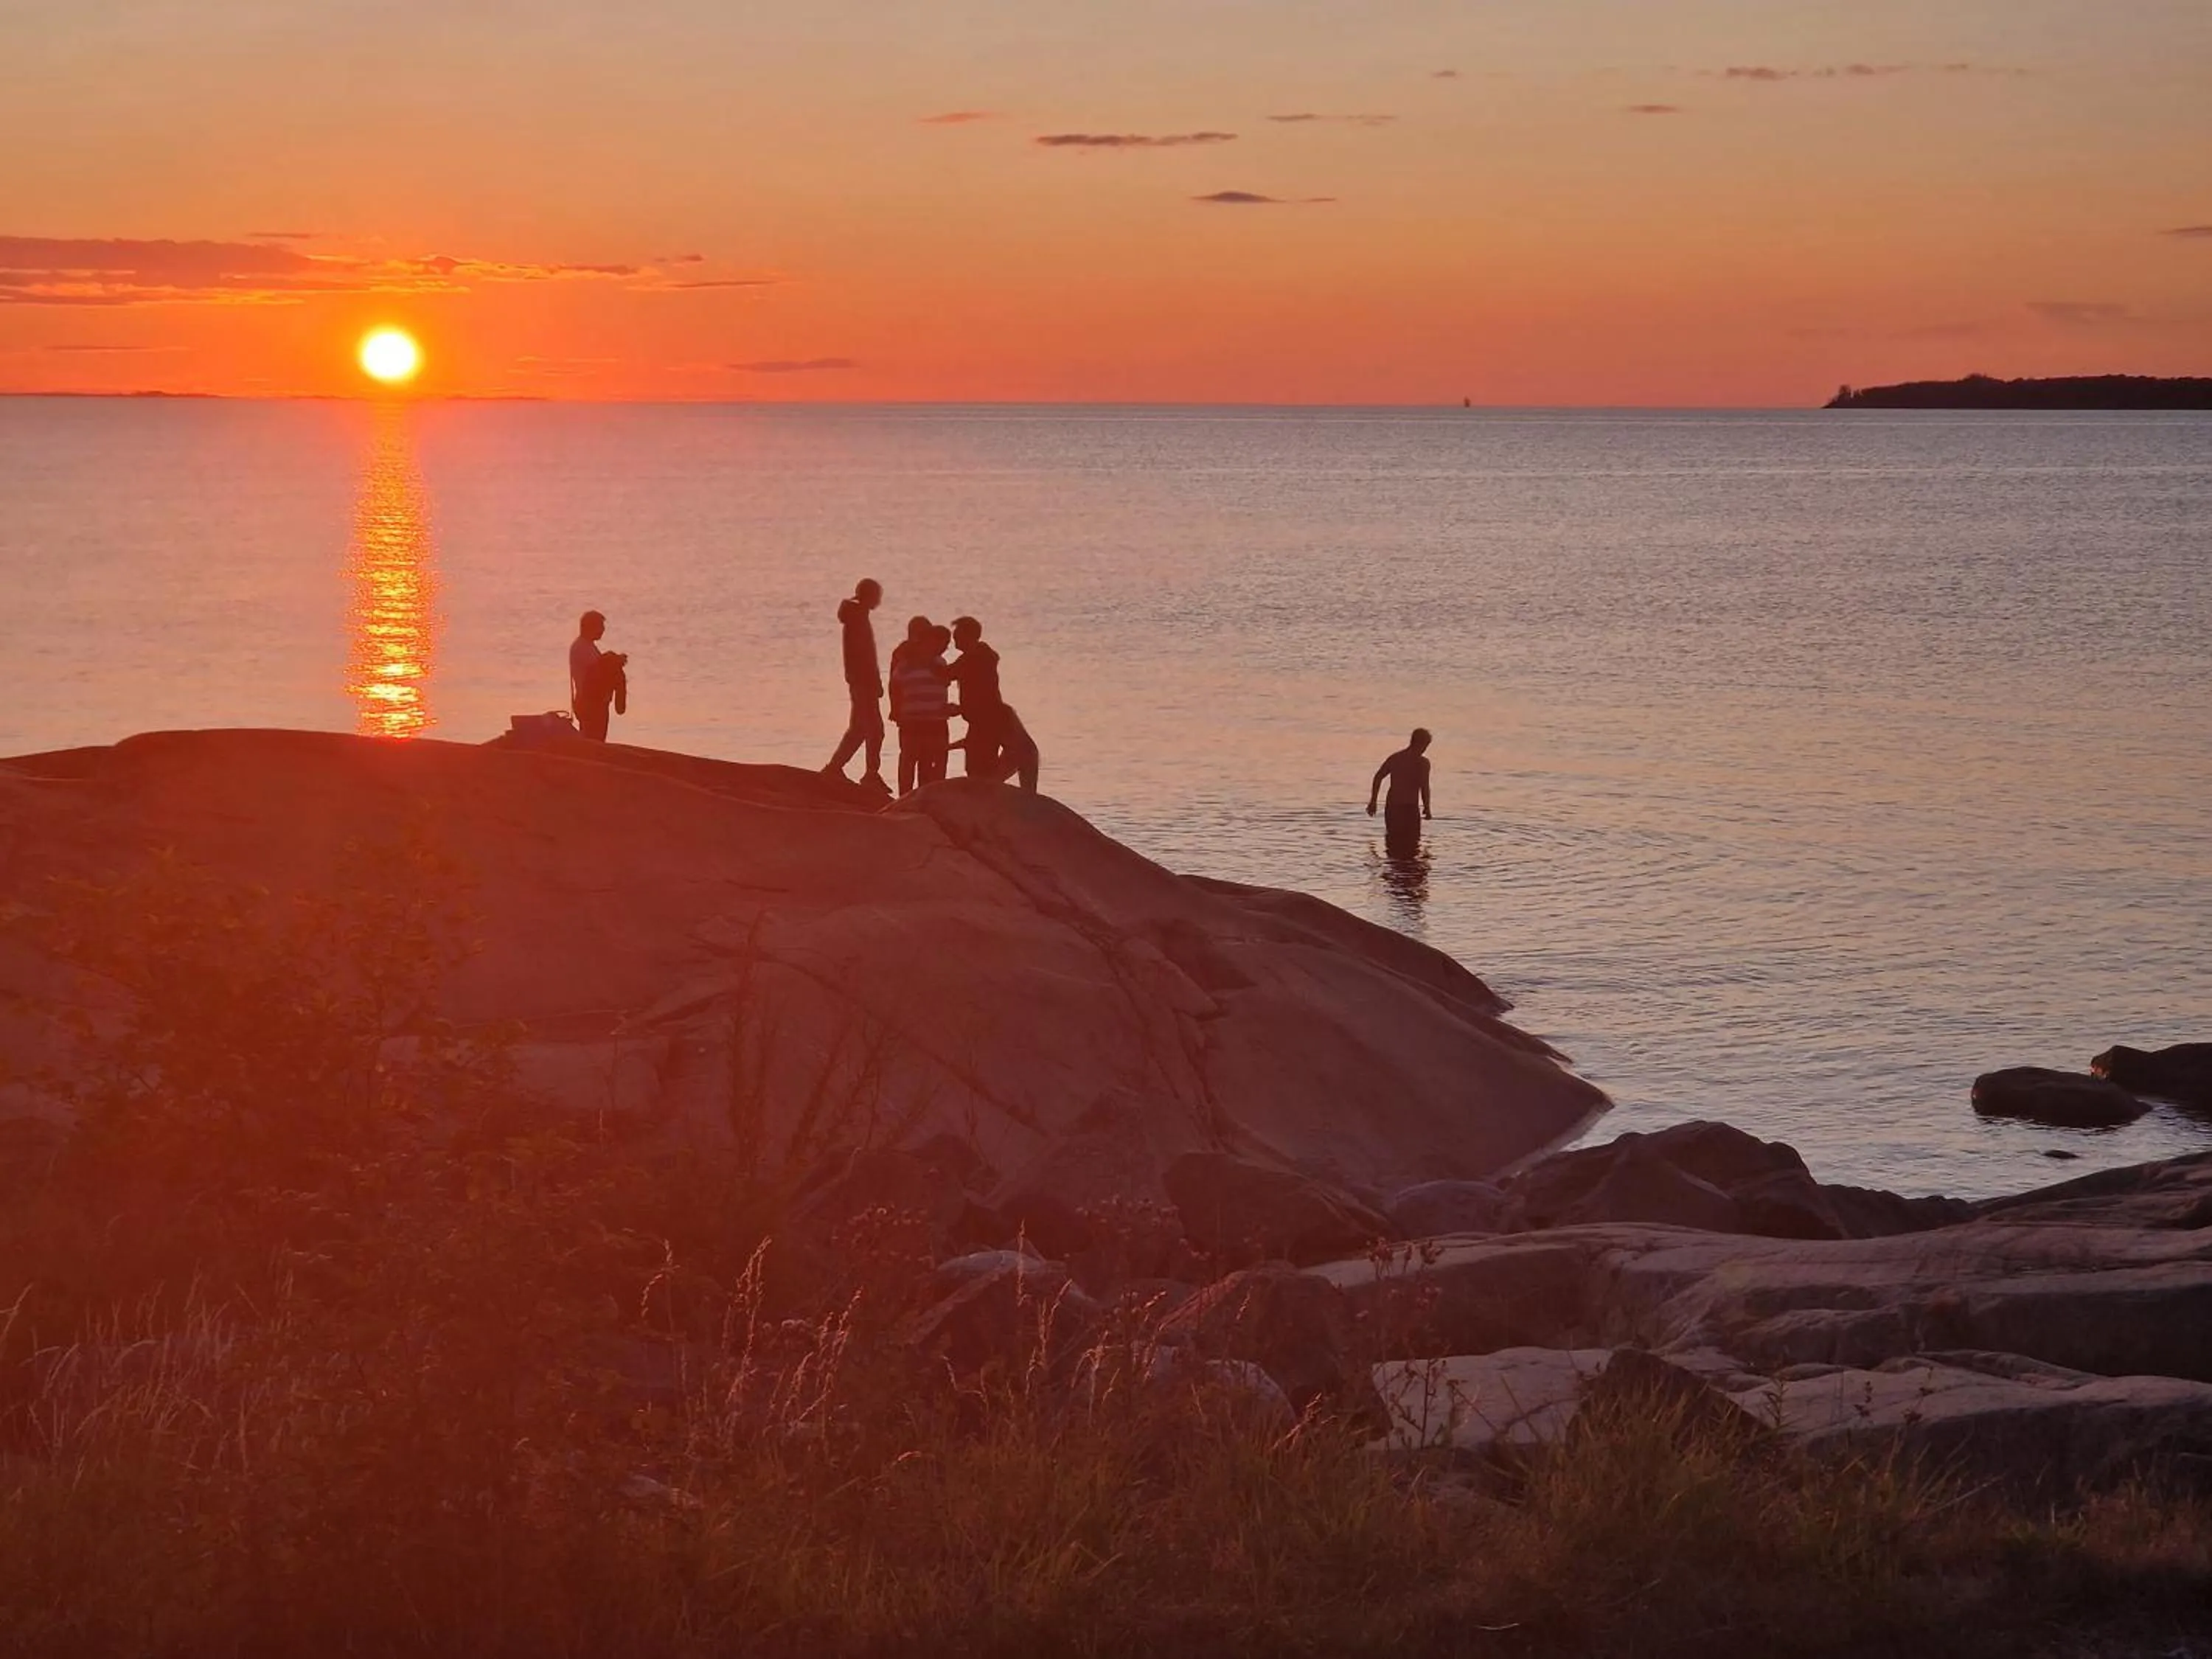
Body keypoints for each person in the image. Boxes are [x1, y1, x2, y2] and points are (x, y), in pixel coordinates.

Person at [824, 578, 886, 788]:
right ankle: (871, 774)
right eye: (878, 595)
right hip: (863, 681)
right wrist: (874, 680)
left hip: (859, 680)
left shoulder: (857, 616)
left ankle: (835, 767)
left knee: (859, 728)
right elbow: (863, 654)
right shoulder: (858, 618)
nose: (879, 600)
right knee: (874, 729)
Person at [889, 617, 952, 795]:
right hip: (916, 720)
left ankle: (924, 797)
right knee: (911, 760)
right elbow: (895, 686)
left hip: (931, 720)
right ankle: (907, 797)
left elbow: (945, 681)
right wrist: (896, 709)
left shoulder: (938, 663)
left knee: (926, 763)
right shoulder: (904, 662)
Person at [1366, 728, 1433, 855]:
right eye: (1425, 746)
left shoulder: (1396, 758)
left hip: (1397, 807)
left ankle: (1394, 873)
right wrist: (1427, 808)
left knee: (1394, 844)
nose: (1425, 749)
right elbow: (1424, 786)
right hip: (1406, 809)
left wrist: (1373, 801)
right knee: (1410, 846)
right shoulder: (1423, 763)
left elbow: (1378, 777)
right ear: (1420, 743)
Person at [568, 610, 628, 742]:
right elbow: (596, 671)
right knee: (593, 740)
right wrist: (614, 660)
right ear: (591, 627)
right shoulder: (581, 647)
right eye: (600, 627)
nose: (603, 630)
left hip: (594, 702)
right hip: (589, 703)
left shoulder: (588, 646)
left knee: (596, 739)